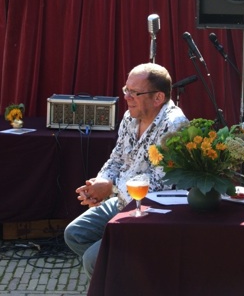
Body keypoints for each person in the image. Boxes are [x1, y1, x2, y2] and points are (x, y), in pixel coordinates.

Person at [64, 62, 188, 279]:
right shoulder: (130, 117)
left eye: (135, 92)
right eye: (126, 90)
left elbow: (160, 186)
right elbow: (117, 159)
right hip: (124, 200)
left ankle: (125, 278)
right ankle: (128, 278)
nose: (127, 97)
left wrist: (109, 188)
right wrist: (99, 184)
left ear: (158, 98)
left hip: (152, 211)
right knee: (75, 234)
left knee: (93, 260)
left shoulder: (175, 125)